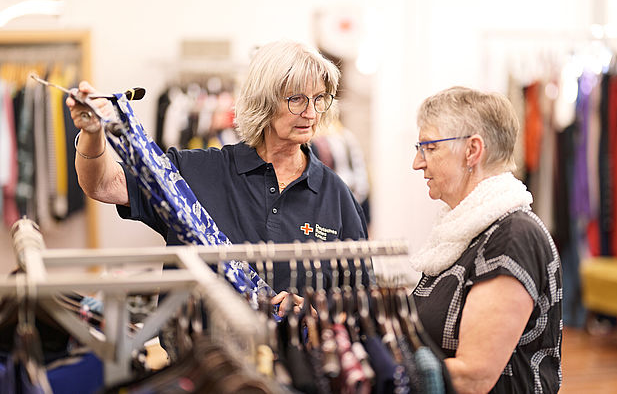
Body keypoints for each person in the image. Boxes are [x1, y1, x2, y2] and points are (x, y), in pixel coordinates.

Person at [66, 40, 369, 311]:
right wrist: (92, 133)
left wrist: (315, 311)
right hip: (201, 353)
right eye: (297, 99)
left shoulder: (336, 196)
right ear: (264, 100)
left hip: (294, 356)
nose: (312, 113)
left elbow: (361, 298)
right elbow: (103, 185)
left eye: (319, 98)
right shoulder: (193, 172)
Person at [409, 86, 562, 393]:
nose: (417, 162)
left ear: (472, 151)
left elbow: (473, 377)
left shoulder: (512, 238)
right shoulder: (464, 232)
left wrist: (378, 371)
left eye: (430, 148)